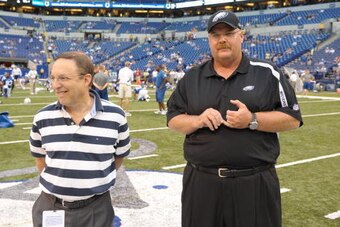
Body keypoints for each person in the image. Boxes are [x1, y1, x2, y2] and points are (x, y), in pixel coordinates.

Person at [166, 10, 303, 227]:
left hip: (254, 183)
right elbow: (173, 119)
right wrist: (198, 120)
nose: (222, 40)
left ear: (241, 35)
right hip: (201, 183)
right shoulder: (192, 77)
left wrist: (252, 120)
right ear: (209, 40)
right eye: (215, 35)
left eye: (228, 33)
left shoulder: (267, 73)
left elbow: (292, 118)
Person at [29, 51, 131, 227]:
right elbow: (40, 161)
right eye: (53, 78)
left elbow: (118, 158)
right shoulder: (42, 117)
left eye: (63, 78)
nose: (55, 85)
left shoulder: (116, 116)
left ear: (86, 80)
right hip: (50, 206)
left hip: (96, 208)